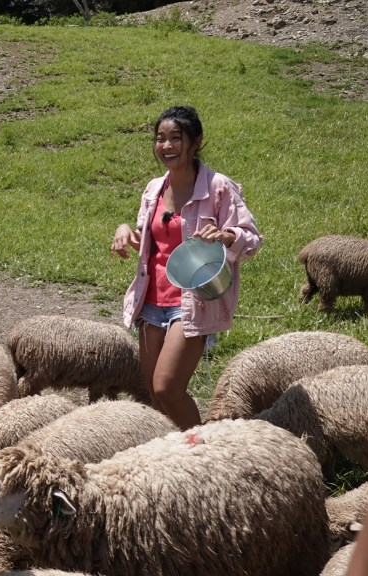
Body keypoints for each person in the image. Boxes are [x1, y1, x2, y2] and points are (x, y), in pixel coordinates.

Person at [111, 105, 262, 431]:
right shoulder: (154, 189)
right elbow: (148, 239)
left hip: (192, 301)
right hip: (150, 300)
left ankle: (202, 449)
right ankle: (174, 462)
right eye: (160, 138)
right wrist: (126, 231)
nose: (166, 146)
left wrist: (225, 235)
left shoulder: (218, 188)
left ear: (196, 142)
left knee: (168, 386)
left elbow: (251, 240)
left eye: (175, 138)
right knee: (154, 393)